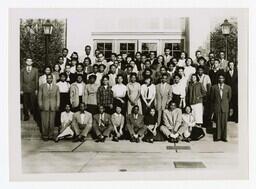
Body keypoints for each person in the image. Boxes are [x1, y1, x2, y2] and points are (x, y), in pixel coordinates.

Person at [38, 74, 60, 141]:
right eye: (48, 78)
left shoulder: (56, 87)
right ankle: (45, 135)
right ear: (46, 79)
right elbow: (39, 97)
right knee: (44, 121)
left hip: (53, 106)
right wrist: (40, 105)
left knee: (52, 121)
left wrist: (57, 105)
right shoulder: (42, 86)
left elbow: (58, 97)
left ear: (52, 79)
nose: (49, 79)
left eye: (50, 78)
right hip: (44, 106)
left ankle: (50, 135)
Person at [210, 74, 232, 142]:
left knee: (224, 122)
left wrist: (226, 104)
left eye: (222, 78)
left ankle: (224, 137)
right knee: (218, 122)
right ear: (218, 79)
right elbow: (212, 98)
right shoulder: (214, 87)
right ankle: (218, 137)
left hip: (225, 107)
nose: (221, 79)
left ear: (224, 79)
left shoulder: (228, 87)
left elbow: (229, 98)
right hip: (217, 107)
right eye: (219, 78)